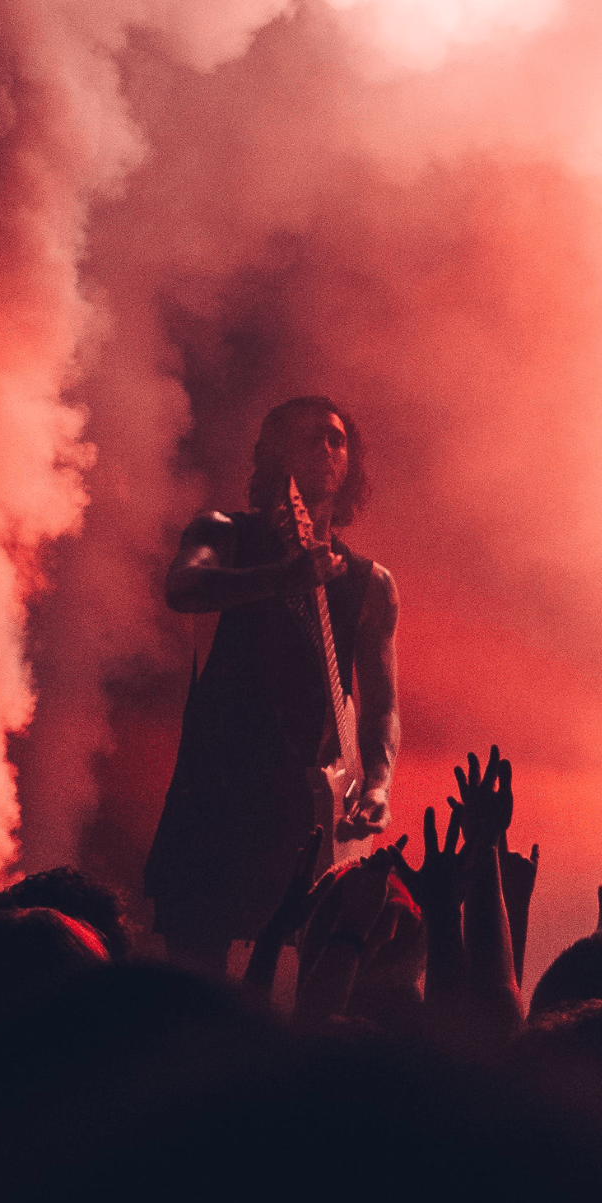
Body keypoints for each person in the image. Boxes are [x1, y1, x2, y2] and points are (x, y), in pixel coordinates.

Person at [142, 396, 399, 973]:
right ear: (271, 453)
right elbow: (184, 587)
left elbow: (381, 704)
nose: (325, 449)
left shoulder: (371, 584)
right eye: (307, 437)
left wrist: (378, 782)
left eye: (336, 439)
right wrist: (281, 577)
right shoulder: (223, 532)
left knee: (313, 980)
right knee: (192, 981)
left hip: (310, 809)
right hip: (216, 793)